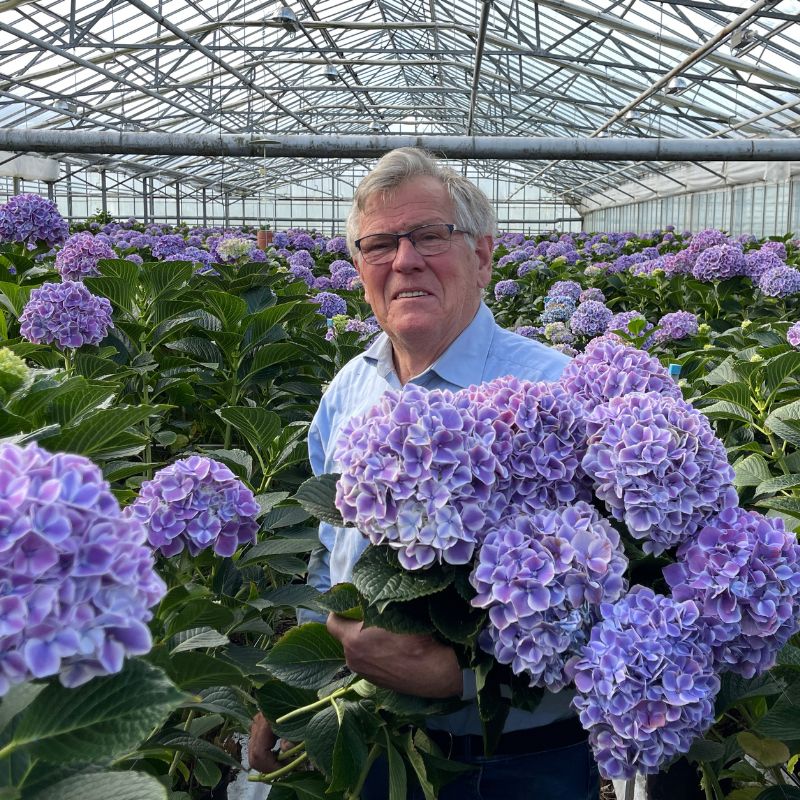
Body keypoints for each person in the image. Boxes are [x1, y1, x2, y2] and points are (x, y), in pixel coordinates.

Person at [250, 147, 599, 800]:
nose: (403, 260)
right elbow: (327, 566)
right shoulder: (348, 391)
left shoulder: (560, 392)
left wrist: (465, 677)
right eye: (379, 243)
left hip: (524, 758)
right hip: (376, 741)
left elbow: (630, 598)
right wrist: (295, 684)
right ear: (359, 268)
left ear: (483, 256)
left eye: (430, 235)